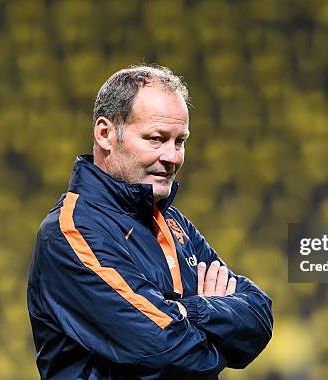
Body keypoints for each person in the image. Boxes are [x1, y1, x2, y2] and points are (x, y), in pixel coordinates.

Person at [27, 65, 273, 379]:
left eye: (179, 141)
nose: (173, 157)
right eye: (157, 139)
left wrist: (188, 310)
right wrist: (215, 322)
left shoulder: (173, 224)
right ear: (105, 134)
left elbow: (258, 315)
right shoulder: (71, 231)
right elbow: (165, 353)